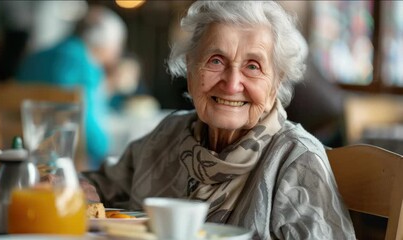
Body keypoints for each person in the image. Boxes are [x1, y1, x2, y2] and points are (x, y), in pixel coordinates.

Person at [82, 1, 355, 239]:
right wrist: (72, 188)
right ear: (189, 68)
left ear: (276, 83)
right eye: (215, 61)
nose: (232, 83)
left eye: (253, 66)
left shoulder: (296, 160)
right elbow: (100, 185)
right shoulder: (168, 137)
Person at [16, 5, 127, 169]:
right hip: (62, 166)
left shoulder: (38, 56)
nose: (118, 52)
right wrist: (112, 152)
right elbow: (93, 136)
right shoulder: (84, 63)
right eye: (117, 45)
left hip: (20, 158)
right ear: (106, 43)